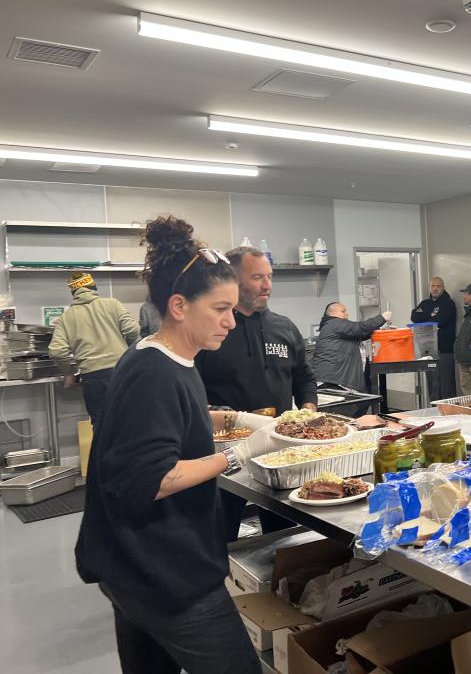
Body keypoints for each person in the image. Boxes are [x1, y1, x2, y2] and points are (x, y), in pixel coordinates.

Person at [75, 215, 274, 674]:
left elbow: (169, 420)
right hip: (161, 569)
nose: (230, 321)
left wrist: (233, 418)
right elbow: (154, 479)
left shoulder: (162, 356)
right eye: (220, 309)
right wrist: (239, 452)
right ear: (180, 306)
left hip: (128, 563)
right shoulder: (154, 372)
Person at [195, 245, 318, 540]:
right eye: (257, 277)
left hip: (278, 449)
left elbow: (304, 377)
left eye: (270, 277)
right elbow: (192, 388)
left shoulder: (284, 328)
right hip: (225, 452)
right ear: (234, 280)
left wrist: (308, 411)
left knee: (284, 535)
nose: (267, 286)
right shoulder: (213, 330)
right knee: (217, 534)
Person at [48, 272, 139, 431]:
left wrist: (69, 372)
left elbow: (57, 351)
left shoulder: (66, 318)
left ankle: (106, 456)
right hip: (122, 371)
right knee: (131, 419)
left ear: (73, 293)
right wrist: (126, 349)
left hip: (93, 377)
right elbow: (133, 330)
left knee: (102, 427)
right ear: (94, 287)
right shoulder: (112, 304)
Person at [311, 301, 391, 391]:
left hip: (334, 379)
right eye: (343, 311)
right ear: (332, 313)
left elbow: (360, 334)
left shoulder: (334, 326)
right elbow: (359, 328)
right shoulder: (334, 323)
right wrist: (381, 318)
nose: (347, 314)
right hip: (332, 381)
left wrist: (379, 330)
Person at [411, 276, 457, 399]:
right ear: (429, 287)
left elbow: (438, 321)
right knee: (433, 385)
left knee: (446, 386)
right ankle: (434, 412)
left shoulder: (448, 304)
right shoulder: (425, 303)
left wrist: (427, 317)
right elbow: (415, 317)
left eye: (438, 286)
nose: (435, 289)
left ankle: (448, 414)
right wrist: (430, 315)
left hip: (444, 351)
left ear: (443, 288)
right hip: (428, 351)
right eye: (433, 286)